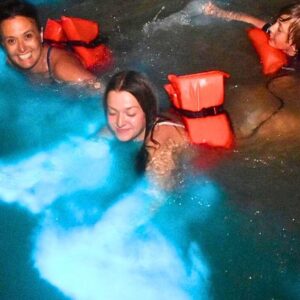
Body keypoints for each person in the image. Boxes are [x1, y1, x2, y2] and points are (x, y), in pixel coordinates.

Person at [103, 70, 189, 185]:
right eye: (112, 113)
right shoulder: (114, 129)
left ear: (148, 112)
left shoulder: (158, 144)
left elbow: (157, 194)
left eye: (131, 114)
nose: (119, 122)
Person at [0, 0, 101, 88]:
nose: (21, 48)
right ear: (3, 44)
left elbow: (102, 90)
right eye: (11, 41)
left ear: (40, 34)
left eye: (28, 36)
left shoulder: (63, 69)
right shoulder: (11, 61)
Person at [203, 1, 300, 57]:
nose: (271, 28)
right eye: (277, 23)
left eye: (279, 29)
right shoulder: (278, 30)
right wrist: (219, 13)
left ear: (294, 45)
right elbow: (249, 19)